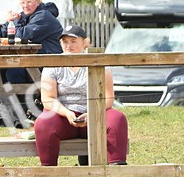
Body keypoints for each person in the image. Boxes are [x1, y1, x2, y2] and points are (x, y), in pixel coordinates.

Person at [34, 25, 129, 165]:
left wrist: (92, 113)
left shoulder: (100, 63)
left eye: (73, 41)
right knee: (43, 122)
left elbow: (108, 97)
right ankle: (48, 168)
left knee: (117, 118)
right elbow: (48, 98)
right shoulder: (52, 64)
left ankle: (117, 164)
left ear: (85, 42)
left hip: (94, 114)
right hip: (64, 116)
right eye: (65, 42)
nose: (68, 45)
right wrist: (67, 113)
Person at [3, 0, 62, 84]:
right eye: (22, 3)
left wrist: (15, 21)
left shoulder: (43, 16)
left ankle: (25, 97)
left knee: (13, 72)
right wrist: (9, 21)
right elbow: (5, 31)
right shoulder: (28, 15)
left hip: (49, 62)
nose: (25, 6)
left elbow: (22, 36)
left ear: (38, 2)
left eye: (29, 2)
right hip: (35, 58)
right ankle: (8, 97)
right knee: (3, 68)